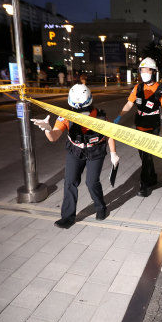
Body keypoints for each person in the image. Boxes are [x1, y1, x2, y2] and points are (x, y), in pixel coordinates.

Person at [31, 84, 119, 229]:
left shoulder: (100, 116)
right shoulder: (66, 116)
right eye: (75, 108)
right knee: (70, 182)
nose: (78, 111)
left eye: (82, 109)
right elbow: (54, 137)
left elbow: (110, 135)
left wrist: (114, 154)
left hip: (95, 151)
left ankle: (101, 207)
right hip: (75, 151)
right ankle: (67, 217)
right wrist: (47, 129)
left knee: (91, 182)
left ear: (90, 103)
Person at [113, 57, 162, 197]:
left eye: (146, 70)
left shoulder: (160, 89)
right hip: (140, 124)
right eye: (142, 70)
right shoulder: (138, 88)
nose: (144, 72)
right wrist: (119, 116)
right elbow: (129, 104)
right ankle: (153, 176)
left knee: (147, 156)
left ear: (153, 71)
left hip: (153, 125)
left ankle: (144, 186)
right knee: (143, 155)